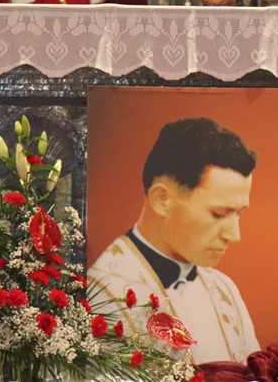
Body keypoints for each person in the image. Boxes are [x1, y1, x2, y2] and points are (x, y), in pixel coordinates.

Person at [87, 117, 261, 364]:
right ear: (162, 199)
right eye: (219, 214)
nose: (235, 235)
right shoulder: (102, 292)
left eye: (239, 213)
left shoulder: (225, 289)